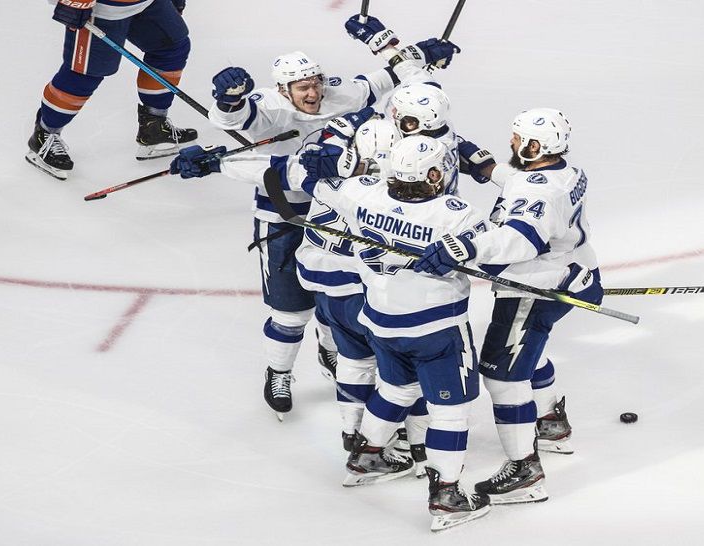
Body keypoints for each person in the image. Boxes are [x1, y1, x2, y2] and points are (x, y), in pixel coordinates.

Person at [175, 18, 461, 419]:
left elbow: (388, 77)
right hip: (285, 212)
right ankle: (279, 370)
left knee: (339, 301)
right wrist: (227, 104)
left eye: (315, 83)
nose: (312, 93)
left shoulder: (341, 97)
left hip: (345, 214)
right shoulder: (269, 109)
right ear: (282, 89)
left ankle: (333, 351)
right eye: (302, 87)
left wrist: (423, 55)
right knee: (290, 311)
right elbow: (237, 122)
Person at [296, 135, 492, 531]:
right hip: (436, 330)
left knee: (396, 390)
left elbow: (309, 180)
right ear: (435, 174)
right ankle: (448, 497)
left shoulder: (363, 195)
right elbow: (498, 255)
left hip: (382, 324)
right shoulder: (457, 213)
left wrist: (318, 163)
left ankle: (366, 456)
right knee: (451, 413)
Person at [413, 108, 605, 505]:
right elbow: (525, 181)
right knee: (528, 352)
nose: (513, 143)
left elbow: (522, 240)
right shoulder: (562, 172)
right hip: (569, 270)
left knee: (502, 374)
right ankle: (550, 421)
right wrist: (486, 166)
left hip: (537, 287)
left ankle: (525, 472)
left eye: (519, 140)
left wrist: (466, 246)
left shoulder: (537, 193)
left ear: (536, 146)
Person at [27, 0, 198, 180]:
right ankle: (45, 134)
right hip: (103, 9)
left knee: (171, 48)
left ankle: (154, 125)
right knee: (85, 74)